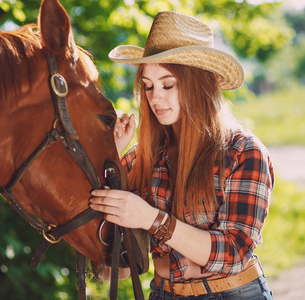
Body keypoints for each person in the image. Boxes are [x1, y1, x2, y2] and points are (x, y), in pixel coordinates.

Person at [90, 11, 274, 300]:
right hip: (162, 293)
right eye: (148, 86)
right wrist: (109, 156)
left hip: (232, 294)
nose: (154, 98)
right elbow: (115, 268)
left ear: (198, 84)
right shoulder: (141, 159)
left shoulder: (243, 151)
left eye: (167, 84)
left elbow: (234, 253)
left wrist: (152, 219)